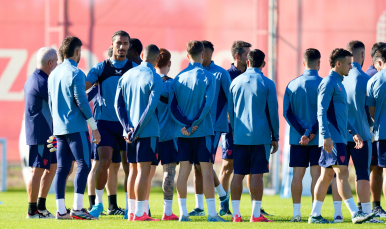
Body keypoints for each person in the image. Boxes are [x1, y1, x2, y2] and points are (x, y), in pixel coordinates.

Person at [309, 48, 374, 224]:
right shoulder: (329, 82)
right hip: (333, 139)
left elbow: (341, 114)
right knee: (342, 173)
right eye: (348, 64)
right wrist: (325, 136)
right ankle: (355, 213)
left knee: (327, 176)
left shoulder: (339, 82)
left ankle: (314, 215)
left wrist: (353, 132)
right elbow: (321, 111)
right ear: (338, 64)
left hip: (339, 137)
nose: (351, 67)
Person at [168, 40, 227, 222]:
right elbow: (208, 105)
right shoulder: (209, 77)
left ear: (187, 56)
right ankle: (212, 215)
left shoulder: (178, 77)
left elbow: (173, 106)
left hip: (182, 133)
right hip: (203, 131)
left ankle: (183, 214)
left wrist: (185, 124)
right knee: (207, 172)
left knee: (183, 172)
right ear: (203, 55)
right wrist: (195, 123)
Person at [48, 36, 100, 220]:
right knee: (84, 165)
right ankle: (78, 208)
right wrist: (94, 127)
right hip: (76, 127)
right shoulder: (77, 73)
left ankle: (61, 211)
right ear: (77, 52)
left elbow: (52, 102)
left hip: (59, 128)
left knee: (62, 169)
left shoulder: (53, 73)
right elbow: (81, 101)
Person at [86, 31, 137, 218]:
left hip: (127, 124)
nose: (122, 47)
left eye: (125, 43)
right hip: (104, 123)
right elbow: (82, 88)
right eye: (119, 43)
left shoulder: (135, 68)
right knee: (104, 161)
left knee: (128, 165)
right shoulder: (100, 68)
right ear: (112, 44)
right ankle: (98, 204)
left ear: (129, 46)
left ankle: (130, 207)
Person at [331, 40, 382, 224]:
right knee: (362, 173)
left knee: (340, 174)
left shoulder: (338, 78)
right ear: (362, 55)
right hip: (362, 133)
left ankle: (338, 214)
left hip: (340, 135)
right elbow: (370, 111)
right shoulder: (365, 80)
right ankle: (367, 214)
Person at [229, 49, 278, 223]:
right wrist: (276, 137)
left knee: (238, 174)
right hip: (261, 136)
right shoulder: (268, 83)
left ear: (247, 62)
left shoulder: (235, 83)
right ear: (263, 64)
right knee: (257, 174)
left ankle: (236, 215)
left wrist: (235, 131)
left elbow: (230, 112)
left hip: (240, 136)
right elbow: (273, 113)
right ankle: (256, 215)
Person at [115, 44, 163, 221]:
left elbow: (117, 105)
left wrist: (127, 127)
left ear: (142, 55)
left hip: (129, 133)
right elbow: (150, 109)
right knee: (143, 172)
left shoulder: (126, 75)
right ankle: (141, 213)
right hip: (146, 132)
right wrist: (136, 130)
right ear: (157, 59)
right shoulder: (155, 78)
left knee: (133, 171)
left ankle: (132, 212)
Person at [189, 40, 231, 217]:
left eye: (205, 53)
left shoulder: (221, 74)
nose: (203, 56)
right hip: (195, 126)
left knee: (204, 164)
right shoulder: (193, 73)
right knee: (196, 166)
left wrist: (230, 122)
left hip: (214, 127)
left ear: (211, 53)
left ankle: (220, 196)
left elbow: (230, 99)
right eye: (201, 53)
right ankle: (204, 204)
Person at [283, 48, 322, 222]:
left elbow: (287, 112)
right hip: (318, 138)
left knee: (297, 175)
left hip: (297, 139)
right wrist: (311, 132)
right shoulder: (324, 84)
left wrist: (302, 132)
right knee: (317, 175)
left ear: (303, 63)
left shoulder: (292, 84)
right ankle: (315, 214)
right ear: (319, 63)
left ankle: (296, 214)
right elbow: (325, 112)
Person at [24, 47, 58, 219]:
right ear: (50, 63)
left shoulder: (34, 78)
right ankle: (32, 211)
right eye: (57, 62)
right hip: (40, 134)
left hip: (47, 134)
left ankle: (41, 207)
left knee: (52, 167)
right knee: (37, 170)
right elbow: (59, 102)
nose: (58, 64)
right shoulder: (41, 81)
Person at [154, 48, 179, 220]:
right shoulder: (173, 84)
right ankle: (167, 212)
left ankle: (140, 209)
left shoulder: (148, 81)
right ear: (169, 63)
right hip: (169, 136)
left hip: (150, 135)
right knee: (169, 173)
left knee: (143, 173)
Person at [365, 42, 386, 217]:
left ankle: (376, 206)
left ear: (379, 62)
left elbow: (371, 112)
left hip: (382, 133)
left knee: (381, 170)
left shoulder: (374, 80)